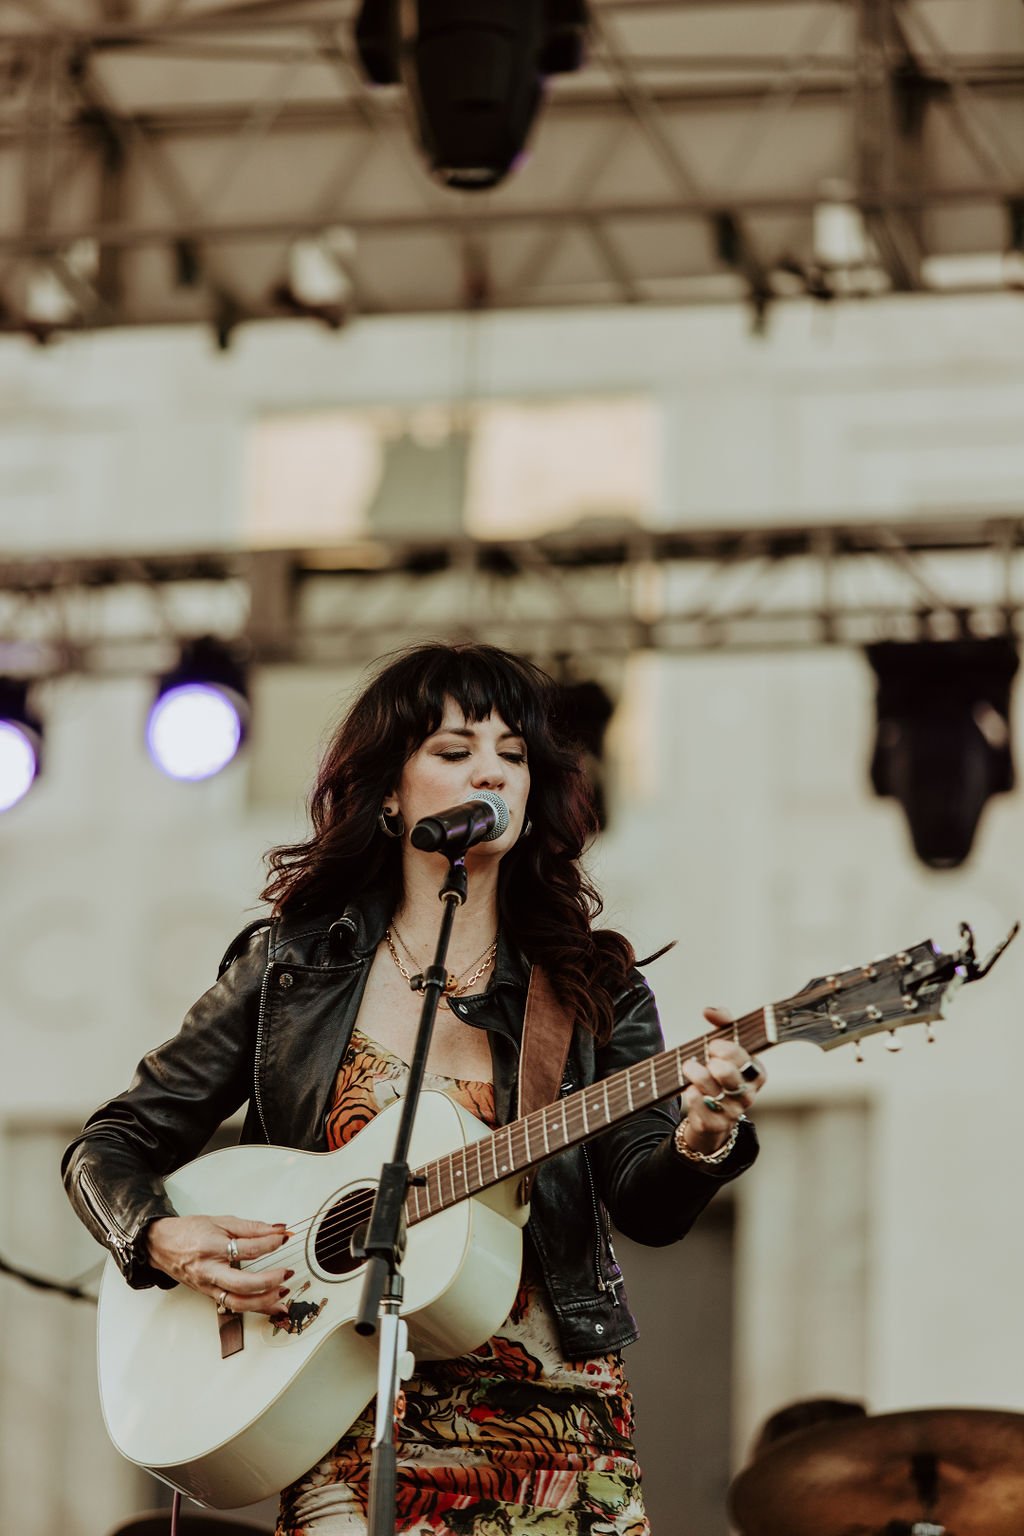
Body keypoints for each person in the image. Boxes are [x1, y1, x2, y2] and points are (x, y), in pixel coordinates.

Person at [63, 642, 766, 1536]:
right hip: (343, 1406)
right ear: (389, 793)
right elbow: (111, 1144)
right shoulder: (292, 966)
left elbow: (648, 1205)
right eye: (454, 750)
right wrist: (159, 1237)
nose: (492, 772)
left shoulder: (594, 983)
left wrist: (702, 1133)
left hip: (554, 1422)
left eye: (513, 756)